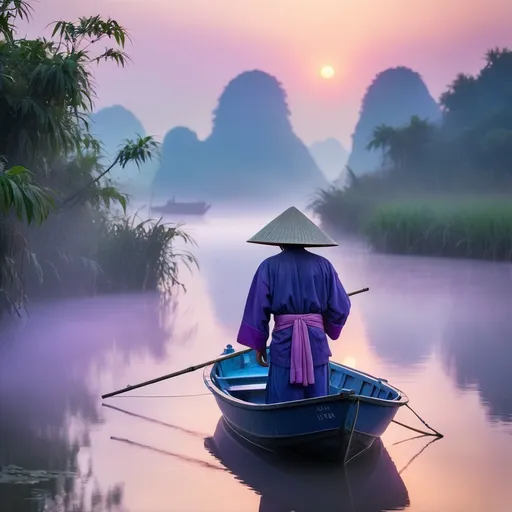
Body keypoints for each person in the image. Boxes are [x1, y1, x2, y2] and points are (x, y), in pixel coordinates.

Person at [236, 206, 351, 404]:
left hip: (284, 343)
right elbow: (341, 307)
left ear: (278, 240)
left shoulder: (268, 266)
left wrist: (259, 345)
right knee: (319, 399)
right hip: (316, 343)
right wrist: (324, 325)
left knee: (283, 396)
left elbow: (257, 309)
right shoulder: (324, 266)